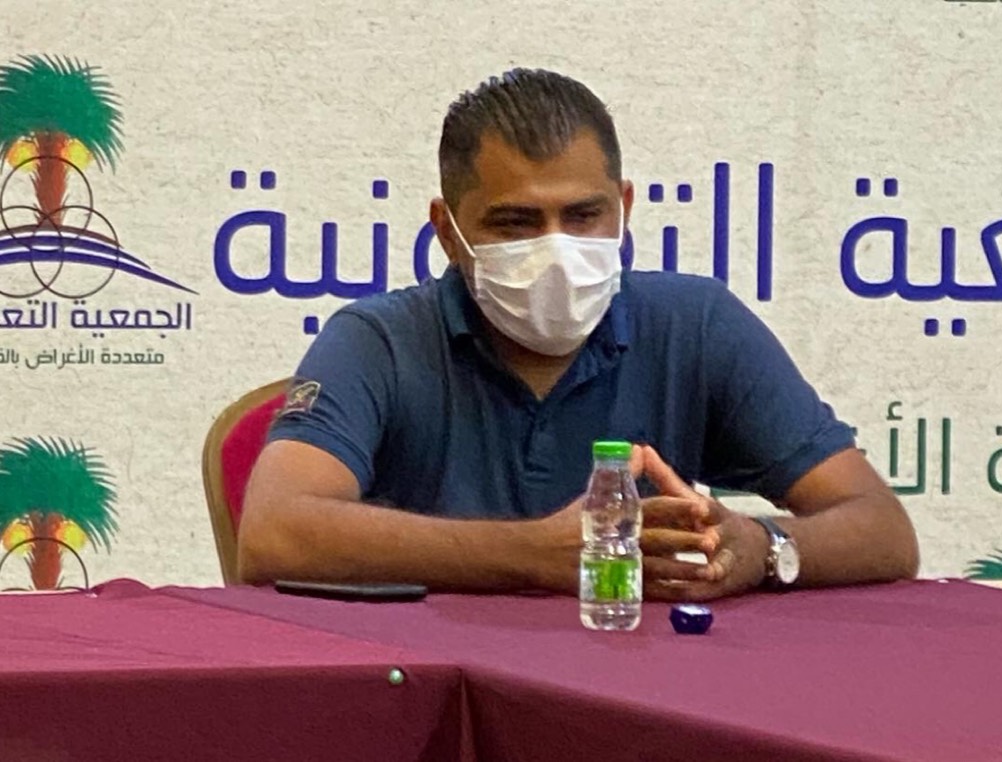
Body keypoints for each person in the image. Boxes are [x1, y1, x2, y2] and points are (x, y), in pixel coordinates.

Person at [236, 68, 919, 600]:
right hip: (434, 688)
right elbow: (273, 534)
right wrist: (532, 555)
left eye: (584, 216)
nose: (556, 250)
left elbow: (882, 530)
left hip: (645, 689)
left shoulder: (697, 325)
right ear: (447, 230)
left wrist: (762, 548)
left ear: (624, 208)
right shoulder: (378, 341)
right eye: (515, 223)